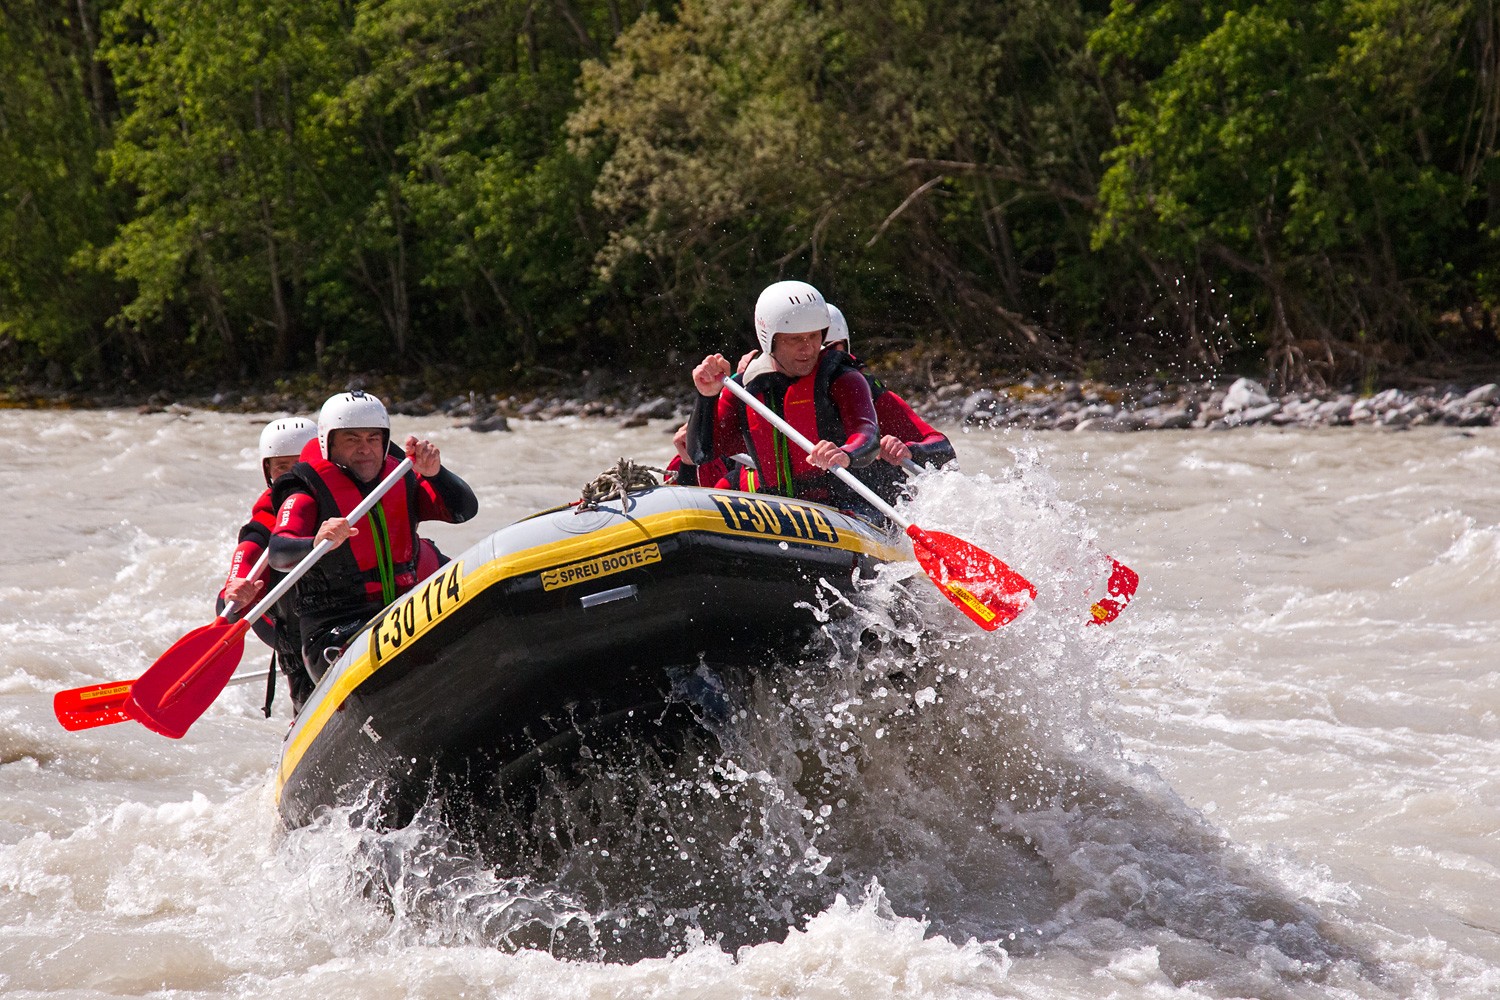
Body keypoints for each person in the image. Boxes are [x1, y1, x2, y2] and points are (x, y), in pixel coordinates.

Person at [269, 391, 478, 680]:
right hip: (335, 630)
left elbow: (463, 511)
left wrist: (435, 473)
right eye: (352, 439)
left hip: (404, 610)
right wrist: (316, 542)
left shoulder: (401, 477)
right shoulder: (306, 489)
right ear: (328, 443)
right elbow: (279, 552)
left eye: (372, 438)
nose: (365, 449)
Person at [687, 280, 880, 510]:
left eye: (814, 336)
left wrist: (845, 453)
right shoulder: (744, 389)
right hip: (779, 512)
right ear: (770, 339)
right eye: (795, 339)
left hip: (848, 508)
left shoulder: (843, 379)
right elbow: (701, 453)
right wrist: (706, 397)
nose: (807, 348)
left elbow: (867, 434)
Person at [219, 416, 318, 712]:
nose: (293, 476)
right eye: (282, 467)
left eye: (301, 465)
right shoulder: (262, 527)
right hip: (293, 636)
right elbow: (227, 602)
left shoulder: (348, 499)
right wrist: (233, 596)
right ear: (269, 473)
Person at [823, 302, 956, 503]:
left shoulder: (868, 393)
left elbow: (943, 449)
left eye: (834, 350)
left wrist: (908, 450)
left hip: (873, 507)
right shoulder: (768, 390)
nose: (829, 361)